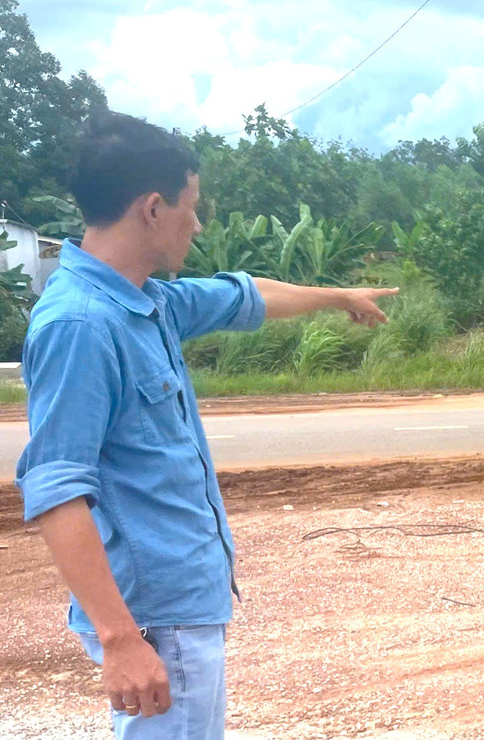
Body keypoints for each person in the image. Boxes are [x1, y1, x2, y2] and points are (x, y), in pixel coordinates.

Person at [13, 111, 397, 739]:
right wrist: (121, 640)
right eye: (192, 208)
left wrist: (337, 297)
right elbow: (57, 489)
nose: (198, 224)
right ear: (153, 208)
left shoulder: (147, 303)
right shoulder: (82, 325)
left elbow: (243, 295)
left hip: (176, 607)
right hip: (152, 618)